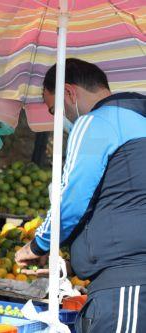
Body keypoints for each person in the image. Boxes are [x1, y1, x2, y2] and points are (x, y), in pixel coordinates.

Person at [15, 58, 146, 333]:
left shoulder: (97, 124)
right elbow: (121, 200)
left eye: (55, 109)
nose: (59, 117)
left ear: (69, 92)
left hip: (128, 281)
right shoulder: (136, 119)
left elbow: (72, 198)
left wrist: (39, 245)